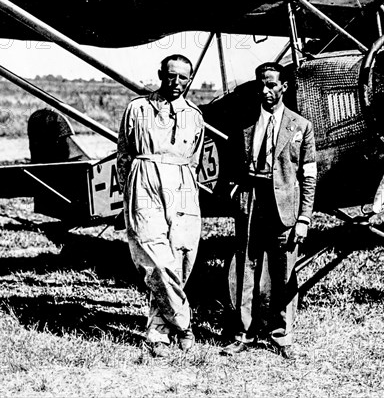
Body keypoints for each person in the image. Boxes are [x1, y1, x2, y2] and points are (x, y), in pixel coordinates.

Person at [221, 62, 316, 359]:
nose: (266, 90)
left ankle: (282, 334)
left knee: (283, 271)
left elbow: (309, 177)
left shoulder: (301, 126)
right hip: (251, 204)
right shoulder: (246, 124)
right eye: (262, 84)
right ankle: (243, 333)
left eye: (273, 85)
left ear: (284, 87)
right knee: (246, 268)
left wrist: (303, 218)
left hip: (284, 207)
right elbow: (232, 167)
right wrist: (236, 193)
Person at [117, 54, 205, 357]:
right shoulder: (137, 108)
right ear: (160, 74)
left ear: (190, 80)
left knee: (181, 255)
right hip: (144, 180)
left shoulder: (195, 114)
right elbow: (124, 156)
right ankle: (184, 322)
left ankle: (158, 331)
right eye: (171, 76)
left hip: (182, 183)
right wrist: (126, 193)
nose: (176, 83)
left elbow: (194, 158)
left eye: (183, 77)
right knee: (155, 258)